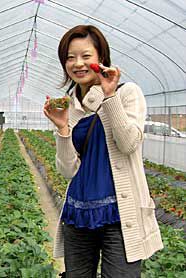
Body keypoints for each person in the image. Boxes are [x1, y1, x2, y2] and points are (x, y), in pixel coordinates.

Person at [43, 25, 163, 277]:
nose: (78, 64)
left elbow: (129, 143)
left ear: (101, 58)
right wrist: (63, 128)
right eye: (70, 57)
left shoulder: (127, 93)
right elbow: (67, 171)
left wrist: (109, 97)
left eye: (86, 56)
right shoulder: (70, 106)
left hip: (120, 215)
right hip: (79, 214)